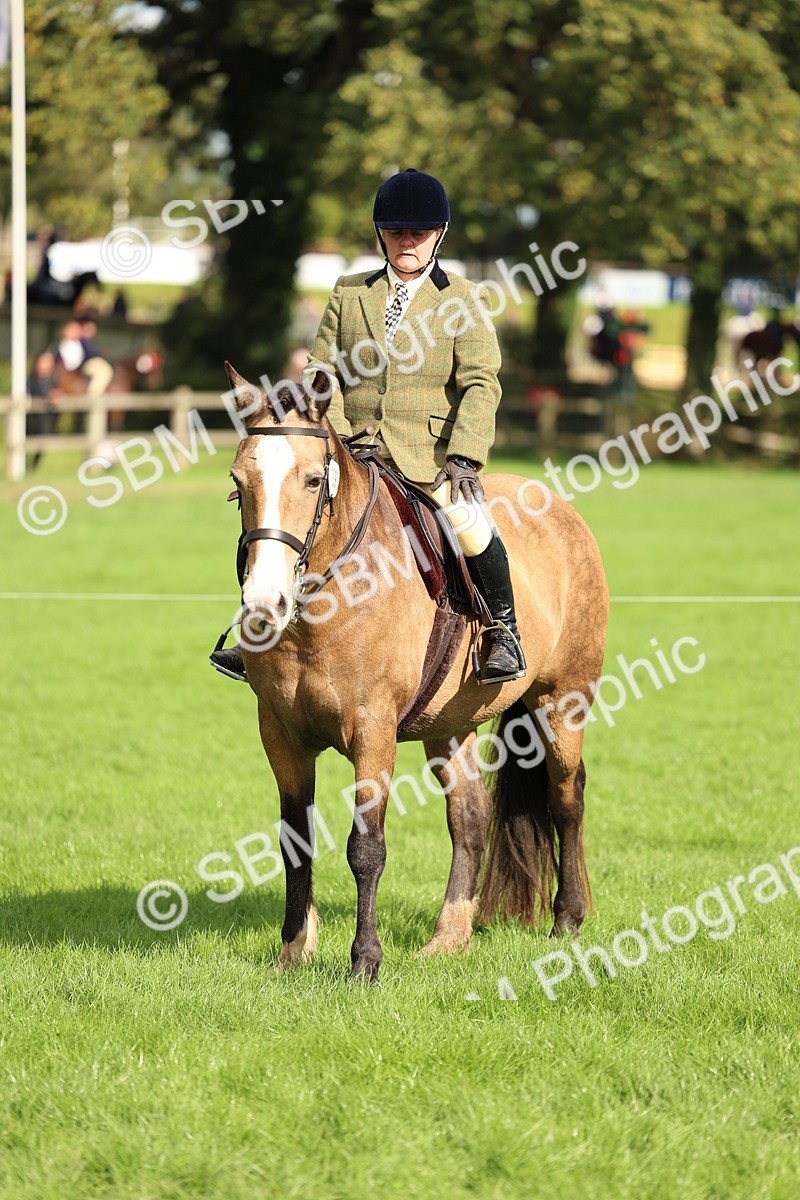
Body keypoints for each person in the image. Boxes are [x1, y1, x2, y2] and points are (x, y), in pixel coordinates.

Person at [211, 168, 525, 685]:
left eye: (418, 232)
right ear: (380, 233)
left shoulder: (463, 299)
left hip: (429, 459)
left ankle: (502, 631)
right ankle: (257, 631)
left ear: (438, 235)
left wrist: (465, 456)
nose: (407, 241)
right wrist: (328, 440)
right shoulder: (349, 291)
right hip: (350, 451)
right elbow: (320, 374)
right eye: (397, 231)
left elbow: (481, 384)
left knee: (469, 523)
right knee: (278, 516)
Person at [26, 349, 63, 470]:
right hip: (32, 419)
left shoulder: (54, 380)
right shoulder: (30, 380)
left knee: (42, 442)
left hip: (47, 419)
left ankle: (34, 466)